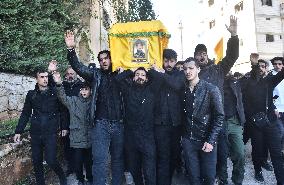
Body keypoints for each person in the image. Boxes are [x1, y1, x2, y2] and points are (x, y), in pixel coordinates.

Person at [65, 30, 125, 185]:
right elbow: (78, 67)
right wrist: (71, 50)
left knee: (118, 160)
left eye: (106, 58)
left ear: (112, 59)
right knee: (99, 160)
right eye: (101, 59)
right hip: (101, 124)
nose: (104, 61)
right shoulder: (95, 75)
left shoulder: (122, 74)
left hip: (119, 123)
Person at [193, 16, 239, 184]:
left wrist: (234, 36)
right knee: (204, 153)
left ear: (207, 55)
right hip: (200, 123)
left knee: (222, 151)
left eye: (204, 53)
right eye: (198, 54)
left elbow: (232, 56)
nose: (201, 57)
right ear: (194, 58)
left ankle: (223, 179)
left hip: (219, 120)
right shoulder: (191, 74)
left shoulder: (219, 69)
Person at [13, 68, 67, 185]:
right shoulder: (31, 95)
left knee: (51, 159)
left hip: (51, 132)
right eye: (42, 77)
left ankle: (62, 176)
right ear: (36, 79)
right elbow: (26, 113)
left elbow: (63, 111)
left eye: (46, 77)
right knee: (36, 161)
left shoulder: (55, 92)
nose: (45, 79)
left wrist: (64, 127)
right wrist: (18, 131)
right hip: (36, 132)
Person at [115, 67, 162, 185]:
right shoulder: (127, 89)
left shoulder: (152, 90)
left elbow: (160, 79)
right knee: (134, 171)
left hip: (148, 138)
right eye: (137, 74)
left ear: (147, 79)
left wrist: (151, 69)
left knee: (150, 172)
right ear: (133, 77)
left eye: (143, 75)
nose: (140, 77)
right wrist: (130, 70)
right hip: (131, 138)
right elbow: (117, 80)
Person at [181, 57, 224, 185]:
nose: (187, 71)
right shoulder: (182, 90)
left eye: (191, 68)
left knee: (209, 177)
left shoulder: (211, 89)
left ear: (198, 69)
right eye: (185, 69)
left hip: (206, 141)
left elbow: (219, 117)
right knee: (194, 178)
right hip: (188, 141)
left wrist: (211, 140)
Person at [242, 59, 284, 184]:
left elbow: (282, 73)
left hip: (270, 122)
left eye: (263, 66)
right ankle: (257, 170)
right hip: (255, 124)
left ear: (266, 68)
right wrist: (251, 118)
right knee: (257, 150)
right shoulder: (247, 83)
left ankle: (280, 181)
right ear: (254, 68)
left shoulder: (270, 81)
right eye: (258, 66)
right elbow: (244, 102)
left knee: (276, 153)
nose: (260, 68)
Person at [54, 72, 93, 185]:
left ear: (90, 91)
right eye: (82, 89)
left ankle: (90, 179)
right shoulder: (73, 101)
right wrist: (58, 83)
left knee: (89, 162)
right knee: (78, 162)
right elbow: (62, 97)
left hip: (90, 138)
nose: (84, 92)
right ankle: (80, 180)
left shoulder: (93, 102)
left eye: (86, 89)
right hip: (76, 139)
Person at [154, 49, 183, 185]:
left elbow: (176, 85)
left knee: (174, 156)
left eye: (171, 61)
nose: (168, 64)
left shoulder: (180, 75)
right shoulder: (155, 74)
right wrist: (158, 73)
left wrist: (161, 74)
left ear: (175, 62)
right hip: (160, 124)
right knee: (162, 156)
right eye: (166, 61)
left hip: (176, 124)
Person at [217, 73, 246, 185]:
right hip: (219, 122)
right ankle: (223, 179)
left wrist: (254, 65)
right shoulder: (215, 82)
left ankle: (237, 179)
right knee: (222, 154)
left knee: (240, 152)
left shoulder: (237, 83)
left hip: (234, 121)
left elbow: (253, 79)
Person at [271, 57, 284, 153]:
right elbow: (270, 95)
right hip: (277, 110)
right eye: (275, 64)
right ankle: (275, 152)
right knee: (280, 131)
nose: (277, 66)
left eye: (279, 64)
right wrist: (274, 107)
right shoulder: (270, 76)